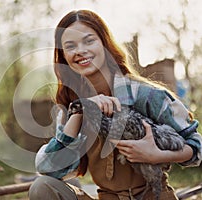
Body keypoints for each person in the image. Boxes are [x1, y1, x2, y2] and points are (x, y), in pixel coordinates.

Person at [28, 10, 202, 200]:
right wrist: (80, 110)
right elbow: (51, 171)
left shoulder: (146, 95)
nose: (80, 51)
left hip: (153, 196)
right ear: (63, 56)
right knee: (43, 187)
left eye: (89, 41)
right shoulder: (71, 107)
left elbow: (197, 146)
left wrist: (157, 155)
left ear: (104, 43)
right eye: (70, 46)